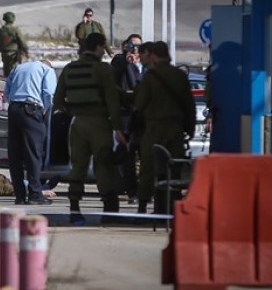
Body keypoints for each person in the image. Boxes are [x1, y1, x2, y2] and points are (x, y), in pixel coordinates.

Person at [54, 32, 125, 225]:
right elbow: (112, 101)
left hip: (77, 124)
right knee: (103, 165)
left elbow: (57, 101)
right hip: (99, 124)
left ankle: (75, 209)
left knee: (78, 167)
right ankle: (109, 212)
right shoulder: (103, 69)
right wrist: (118, 127)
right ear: (99, 47)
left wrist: (73, 110)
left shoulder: (69, 69)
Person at [134, 41, 196, 215]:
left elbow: (140, 104)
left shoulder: (150, 77)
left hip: (154, 128)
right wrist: (190, 129)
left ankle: (142, 208)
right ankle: (171, 208)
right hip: (175, 129)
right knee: (173, 169)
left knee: (148, 168)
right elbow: (189, 105)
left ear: (153, 55)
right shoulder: (180, 75)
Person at [4, 56, 58, 205]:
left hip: (13, 109)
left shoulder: (18, 67)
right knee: (33, 154)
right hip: (32, 110)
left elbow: (6, 93)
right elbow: (49, 93)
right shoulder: (47, 70)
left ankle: (20, 195)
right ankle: (35, 194)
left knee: (15, 154)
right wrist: (46, 111)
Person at [110, 33, 144, 203]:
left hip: (143, 116)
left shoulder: (145, 65)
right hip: (126, 116)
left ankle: (144, 190)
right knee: (128, 156)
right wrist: (127, 61)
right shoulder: (120, 62)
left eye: (138, 47)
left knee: (144, 155)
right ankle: (132, 191)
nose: (135, 50)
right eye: (132, 46)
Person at [0, 11, 28, 77]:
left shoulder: (0, 31)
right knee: (14, 73)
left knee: (6, 73)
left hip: (4, 55)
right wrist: (26, 51)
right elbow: (22, 42)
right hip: (14, 55)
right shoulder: (16, 30)